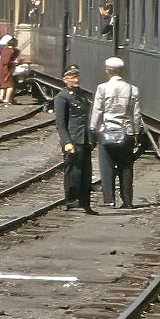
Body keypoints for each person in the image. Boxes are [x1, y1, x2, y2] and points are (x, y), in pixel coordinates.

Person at [89, 56, 140, 207]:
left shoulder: (102, 88)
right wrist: (136, 132)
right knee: (126, 167)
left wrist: (93, 128)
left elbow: (97, 110)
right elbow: (136, 114)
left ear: (108, 71)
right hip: (126, 132)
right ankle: (127, 200)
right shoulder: (132, 89)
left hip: (107, 132)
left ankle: (109, 199)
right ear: (122, 71)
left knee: (106, 166)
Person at [51, 65, 93, 212]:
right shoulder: (62, 97)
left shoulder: (82, 95)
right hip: (73, 139)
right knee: (74, 172)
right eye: (72, 77)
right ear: (65, 79)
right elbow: (60, 123)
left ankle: (85, 201)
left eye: (77, 77)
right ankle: (72, 200)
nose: (75, 80)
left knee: (86, 173)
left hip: (85, 139)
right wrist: (66, 142)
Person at [0, 34, 19, 104]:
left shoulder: (4, 49)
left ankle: (1, 97)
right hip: (6, 69)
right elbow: (6, 62)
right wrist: (14, 62)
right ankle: (7, 99)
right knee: (10, 85)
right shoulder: (10, 51)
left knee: (3, 84)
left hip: (1, 69)